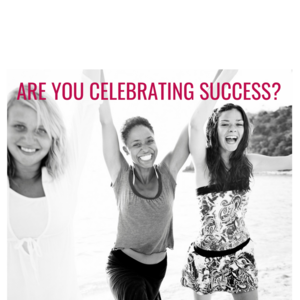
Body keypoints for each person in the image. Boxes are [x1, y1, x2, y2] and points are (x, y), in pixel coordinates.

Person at [180, 70, 292, 300]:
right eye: (225, 124)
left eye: (239, 124)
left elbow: (290, 161)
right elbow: (194, 124)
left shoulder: (248, 162)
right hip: (205, 257)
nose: (233, 129)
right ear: (214, 129)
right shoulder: (203, 163)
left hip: (241, 253)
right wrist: (229, 70)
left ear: (244, 130)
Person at [83, 70, 189, 300]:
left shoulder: (168, 172)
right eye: (137, 144)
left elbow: (194, 126)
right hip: (124, 267)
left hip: (157, 272)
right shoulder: (121, 174)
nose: (145, 149)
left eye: (150, 140)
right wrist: (96, 71)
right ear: (126, 150)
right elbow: (106, 121)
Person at [7, 73, 97, 300]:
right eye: (19, 127)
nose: (29, 139)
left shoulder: (66, 174)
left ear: (53, 135)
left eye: (40, 130)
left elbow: (89, 99)